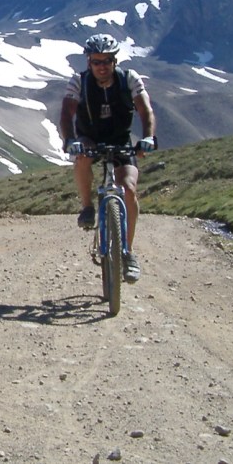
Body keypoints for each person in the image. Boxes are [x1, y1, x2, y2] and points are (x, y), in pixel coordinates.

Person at [59, 33, 157, 282]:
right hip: (89, 138)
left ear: (115, 61)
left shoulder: (129, 79)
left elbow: (145, 110)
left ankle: (128, 253)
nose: (101, 66)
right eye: (96, 61)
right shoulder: (79, 82)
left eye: (106, 61)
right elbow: (66, 113)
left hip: (120, 140)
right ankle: (87, 207)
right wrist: (69, 140)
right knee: (82, 157)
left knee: (129, 189)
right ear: (89, 62)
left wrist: (148, 137)